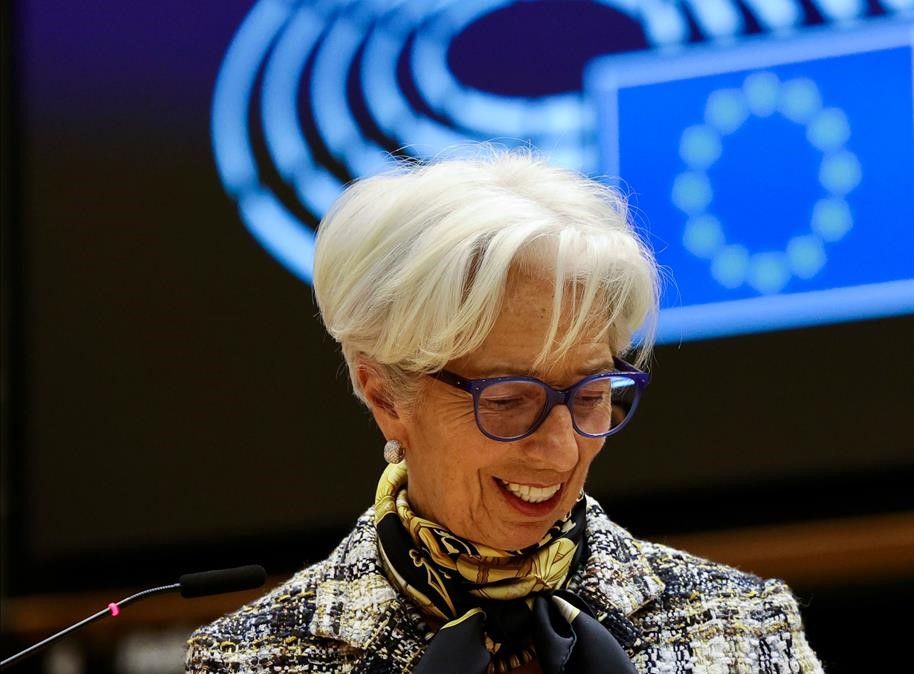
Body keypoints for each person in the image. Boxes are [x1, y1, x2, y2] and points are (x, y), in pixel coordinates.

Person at [186, 150, 823, 673]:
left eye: (592, 395)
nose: (562, 450)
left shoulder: (742, 629)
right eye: (510, 402)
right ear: (384, 394)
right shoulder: (256, 661)